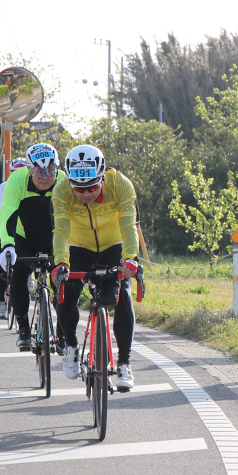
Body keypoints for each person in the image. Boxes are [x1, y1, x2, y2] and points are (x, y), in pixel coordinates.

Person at [51, 144, 140, 390]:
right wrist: (61, 262)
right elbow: (60, 230)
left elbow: (128, 224)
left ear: (102, 175)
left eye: (91, 186)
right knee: (66, 294)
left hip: (115, 246)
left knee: (122, 297)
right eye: (78, 188)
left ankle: (123, 364)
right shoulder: (61, 191)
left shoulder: (120, 184)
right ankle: (70, 345)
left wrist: (130, 259)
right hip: (78, 248)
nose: (86, 193)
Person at [0, 144, 66, 351]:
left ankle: (63, 331)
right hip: (24, 237)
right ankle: (24, 327)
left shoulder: (64, 182)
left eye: (51, 170)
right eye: (39, 171)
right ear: (29, 169)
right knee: (18, 271)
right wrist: (7, 246)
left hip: (54, 237)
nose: (45, 176)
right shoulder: (16, 181)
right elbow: (7, 215)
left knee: (62, 277)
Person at [0, 158, 32, 320]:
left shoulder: (32, 186)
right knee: (2, 267)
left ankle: (29, 275)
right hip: (8, 231)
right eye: (15, 173)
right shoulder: (4, 187)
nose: (18, 176)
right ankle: (2, 302)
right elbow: (1, 213)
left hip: (27, 233)